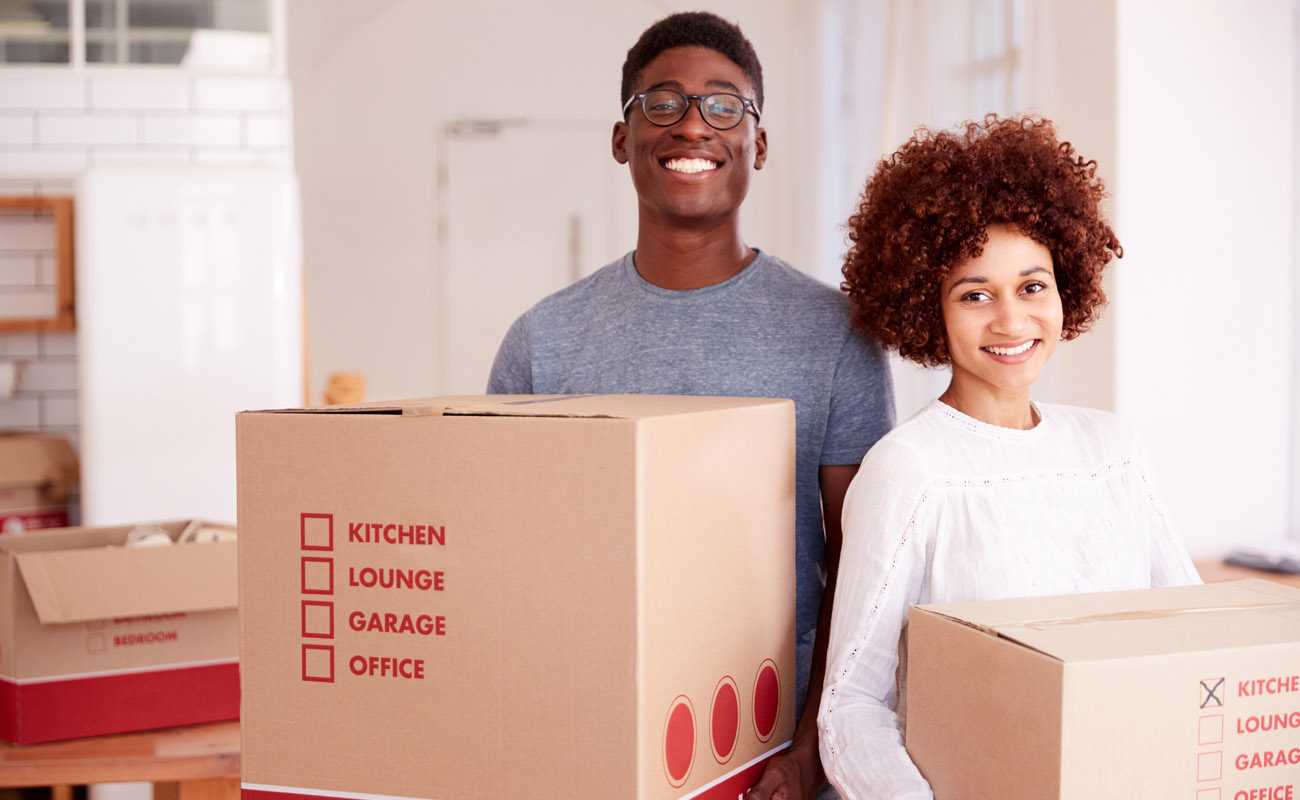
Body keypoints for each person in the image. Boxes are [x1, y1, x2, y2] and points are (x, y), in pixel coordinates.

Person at [488, 12, 895, 800]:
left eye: (724, 104)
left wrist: (813, 749)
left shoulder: (836, 335)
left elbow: (861, 569)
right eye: (663, 101)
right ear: (622, 136)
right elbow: (508, 564)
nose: (693, 125)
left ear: (759, 143)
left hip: (770, 748)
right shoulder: (544, 340)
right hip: (587, 737)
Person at [816, 116, 1201, 799]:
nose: (1011, 321)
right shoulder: (910, 469)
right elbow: (850, 708)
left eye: (1032, 286)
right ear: (926, 307)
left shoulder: (1112, 450)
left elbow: (1191, 644)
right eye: (974, 294)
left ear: (1065, 290)